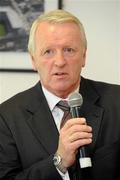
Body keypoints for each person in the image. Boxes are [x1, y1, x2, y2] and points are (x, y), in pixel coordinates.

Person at [0, 9, 120, 180]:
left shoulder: (117, 101)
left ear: (84, 56)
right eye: (48, 51)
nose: (60, 62)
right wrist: (59, 161)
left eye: (69, 50)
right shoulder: (6, 117)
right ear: (34, 60)